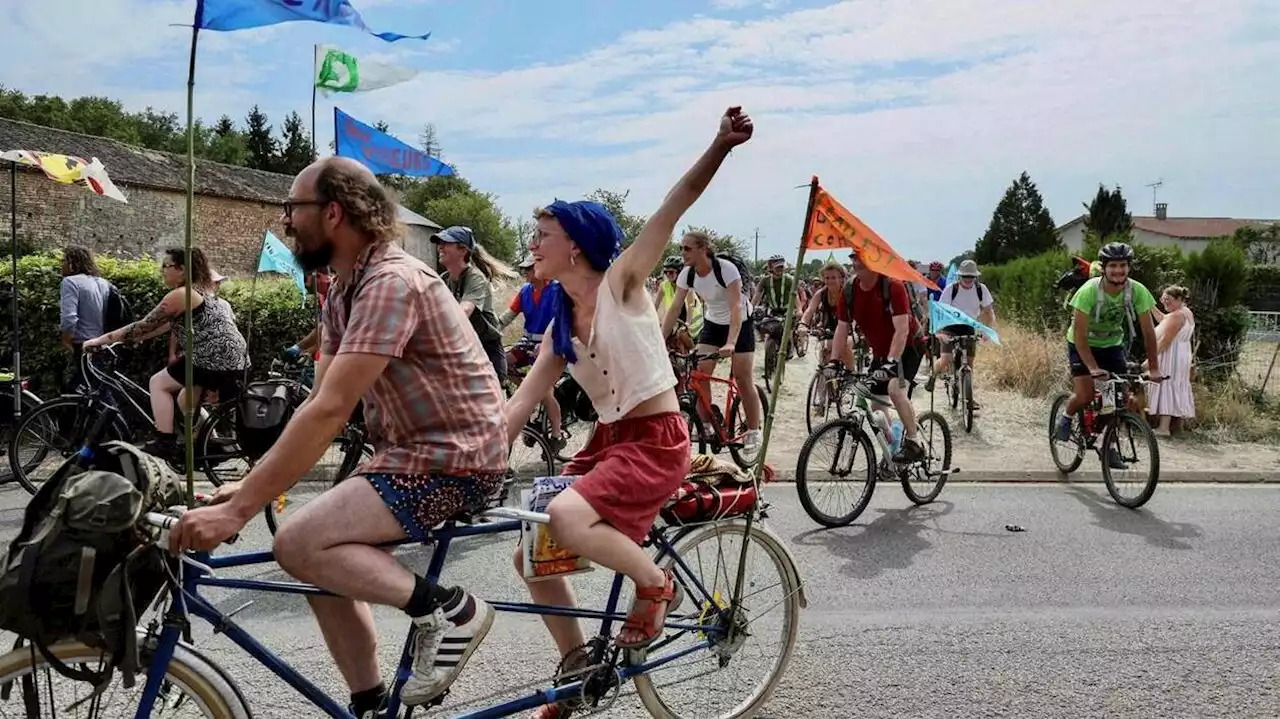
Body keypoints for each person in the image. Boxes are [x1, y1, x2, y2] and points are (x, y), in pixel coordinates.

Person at [167, 157, 510, 717]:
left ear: (332, 212)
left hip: (456, 458)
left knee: (298, 543)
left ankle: (451, 611)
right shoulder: (343, 290)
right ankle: (371, 704)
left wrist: (240, 512)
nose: (285, 222)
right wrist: (243, 490)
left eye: (292, 209)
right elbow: (318, 403)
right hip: (409, 455)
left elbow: (331, 409)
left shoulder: (391, 281)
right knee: (317, 560)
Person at [506, 106, 753, 719]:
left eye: (543, 234)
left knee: (565, 514)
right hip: (609, 443)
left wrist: (720, 145)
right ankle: (577, 670)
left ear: (576, 245)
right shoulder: (558, 323)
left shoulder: (623, 282)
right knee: (529, 555)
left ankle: (654, 585)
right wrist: (473, 455)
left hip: (656, 441)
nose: (532, 244)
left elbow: (677, 201)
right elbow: (520, 405)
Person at [82, 247, 247, 459]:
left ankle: (164, 441)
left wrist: (100, 340)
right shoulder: (201, 290)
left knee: (158, 383)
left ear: (182, 269)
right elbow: (163, 326)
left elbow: (143, 325)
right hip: (230, 355)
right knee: (184, 401)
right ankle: (210, 443)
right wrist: (136, 338)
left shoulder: (181, 295)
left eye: (166, 266)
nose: (162, 271)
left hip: (211, 356)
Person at [660, 231, 764, 458]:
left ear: (703, 249)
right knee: (699, 372)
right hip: (713, 323)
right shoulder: (687, 275)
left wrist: (731, 343)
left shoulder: (726, 269)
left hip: (740, 323)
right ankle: (706, 423)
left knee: (742, 376)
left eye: (687, 248)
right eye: (681, 248)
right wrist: (660, 339)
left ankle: (754, 431)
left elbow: (736, 306)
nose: (682, 253)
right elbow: (675, 307)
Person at [1054, 242, 1163, 444]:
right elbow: (1079, 335)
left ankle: (1109, 447)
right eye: (1113, 266)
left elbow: (1148, 333)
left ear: (1129, 267)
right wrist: (1093, 368)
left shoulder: (1137, 291)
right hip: (1082, 344)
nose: (1118, 271)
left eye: (1123, 265)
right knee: (1085, 395)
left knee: (1118, 401)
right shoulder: (1089, 291)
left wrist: (1154, 368)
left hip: (1112, 345)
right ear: (1103, 268)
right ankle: (1067, 417)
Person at [829, 251, 927, 464]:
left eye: (862, 258)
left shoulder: (892, 286)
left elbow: (902, 330)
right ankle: (893, 442)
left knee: (895, 389)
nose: (857, 262)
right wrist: (833, 361)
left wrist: (891, 362)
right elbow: (842, 328)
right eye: (853, 258)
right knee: (876, 406)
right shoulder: (849, 290)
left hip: (908, 347)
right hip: (882, 351)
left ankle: (913, 442)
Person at [434, 226, 517, 379]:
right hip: (465, 345)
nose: (440, 246)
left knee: (493, 397)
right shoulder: (444, 279)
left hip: (487, 347)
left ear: (462, 250)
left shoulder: (475, 278)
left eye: (446, 243)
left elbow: (464, 311)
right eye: (440, 243)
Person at [500, 256, 565, 445]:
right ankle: (528, 394)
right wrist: (491, 330)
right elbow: (508, 316)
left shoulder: (557, 290)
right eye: (523, 270)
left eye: (528, 269)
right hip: (527, 342)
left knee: (545, 391)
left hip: (550, 345)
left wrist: (548, 342)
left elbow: (564, 321)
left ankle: (556, 434)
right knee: (503, 364)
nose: (525, 274)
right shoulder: (525, 291)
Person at [927, 259, 996, 408]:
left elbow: (989, 313)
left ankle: (969, 396)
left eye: (970, 277)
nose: (967, 280)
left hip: (968, 327)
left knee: (969, 363)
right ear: (959, 276)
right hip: (949, 326)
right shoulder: (951, 289)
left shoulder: (981, 289)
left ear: (975, 277)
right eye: (965, 276)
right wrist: (939, 333)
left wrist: (987, 330)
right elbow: (939, 311)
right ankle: (932, 375)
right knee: (945, 359)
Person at [57, 245, 109, 393]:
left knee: (82, 391)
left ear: (72, 263)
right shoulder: (103, 283)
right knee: (98, 388)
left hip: (83, 344)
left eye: (63, 261)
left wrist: (66, 339)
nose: (61, 265)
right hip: (103, 343)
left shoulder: (70, 282)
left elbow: (69, 318)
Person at [1146, 285, 1195, 436]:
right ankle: (1176, 425)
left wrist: (1149, 361)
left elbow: (1165, 342)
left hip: (1171, 355)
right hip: (1182, 354)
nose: (1165, 302)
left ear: (1179, 299)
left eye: (1168, 300)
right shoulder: (1185, 312)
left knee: (1167, 384)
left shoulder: (1177, 316)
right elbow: (1163, 318)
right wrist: (1149, 305)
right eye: (1163, 299)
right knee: (1177, 385)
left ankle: (1164, 428)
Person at [653, 255, 703, 352]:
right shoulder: (664, 286)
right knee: (663, 332)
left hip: (692, 319)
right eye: (665, 272)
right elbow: (656, 305)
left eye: (671, 272)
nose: (668, 274)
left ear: (679, 272)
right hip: (676, 318)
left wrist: (687, 324)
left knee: (681, 333)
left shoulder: (687, 286)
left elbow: (690, 306)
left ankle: (694, 354)